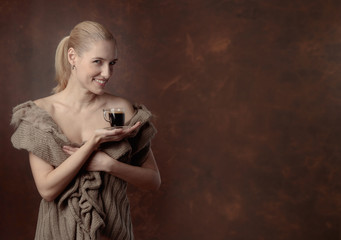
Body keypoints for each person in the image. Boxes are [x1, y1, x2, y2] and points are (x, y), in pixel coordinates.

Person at [10, 21, 161, 240]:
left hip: (112, 233)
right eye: (98, 62)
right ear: (73, 57)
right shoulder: (41, 114)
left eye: (112, 63)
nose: (107, 73)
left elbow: (153, 180)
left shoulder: (119, 110)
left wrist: (108, 164)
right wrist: (92, 144)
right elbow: (47, 190)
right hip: (57, 233)